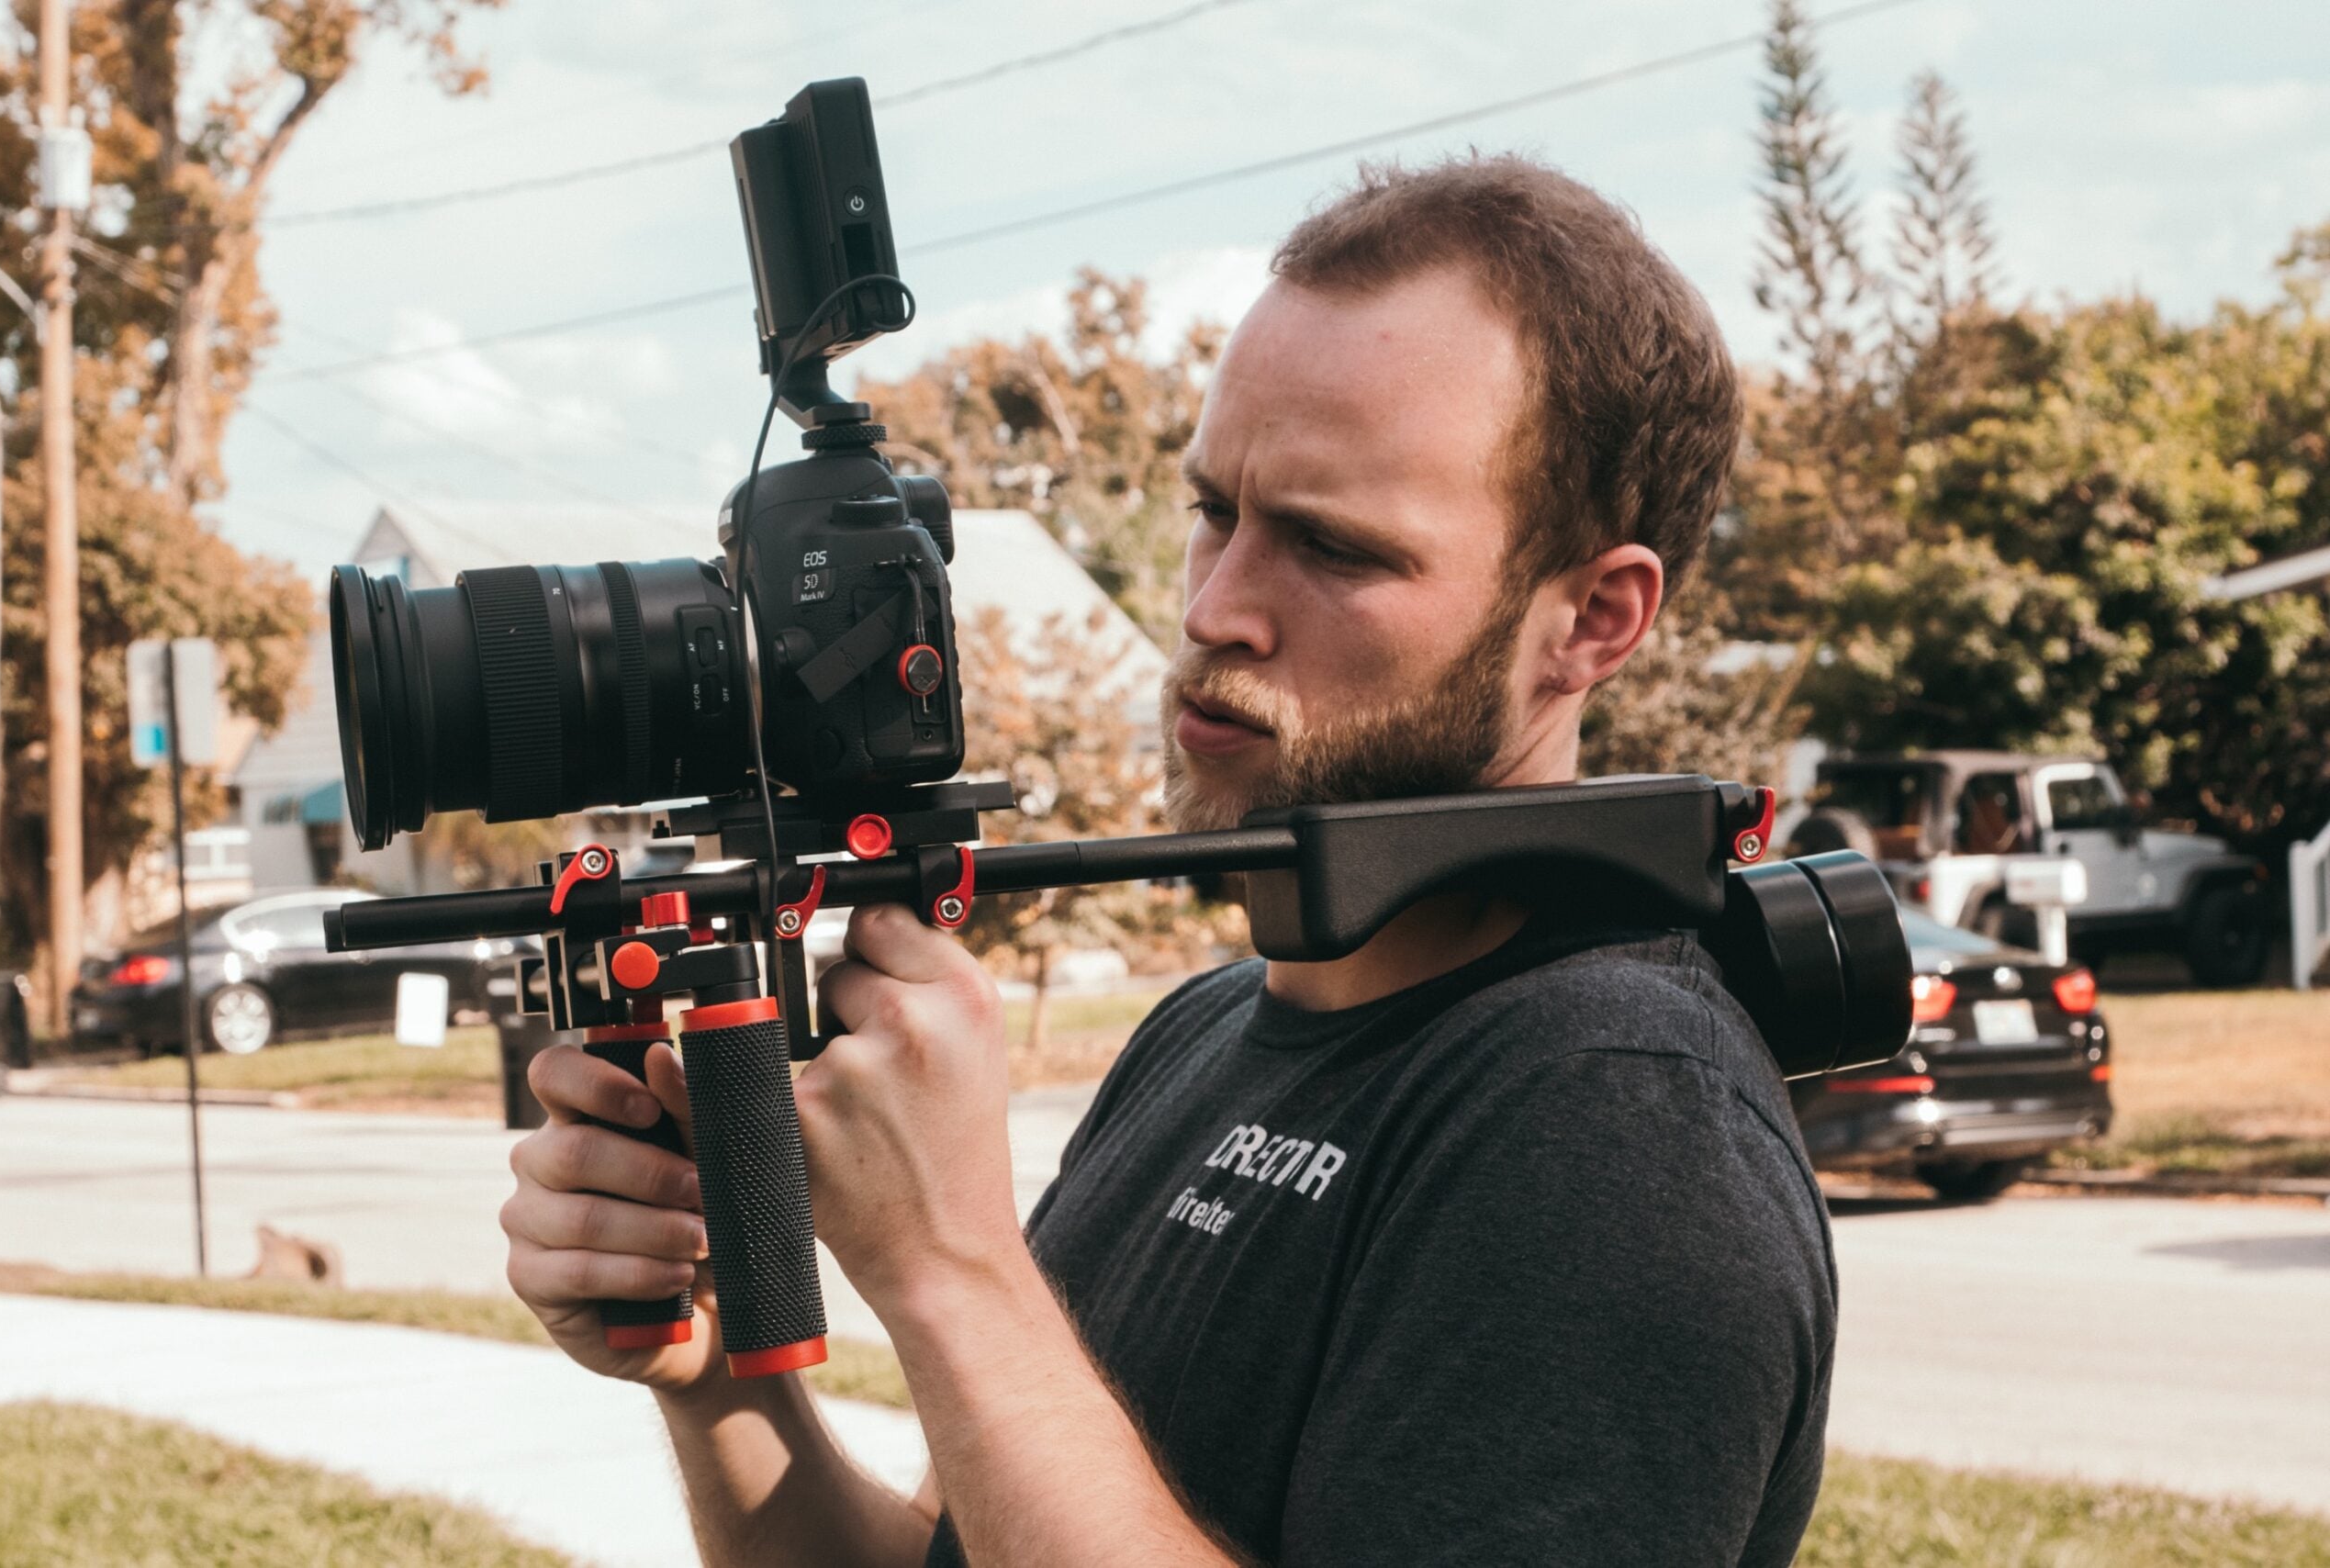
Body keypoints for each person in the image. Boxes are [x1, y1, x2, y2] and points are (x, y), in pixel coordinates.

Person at [500, 155, 1833, 1566]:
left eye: (1331, 546)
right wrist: (715, 1384)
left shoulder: (1615, 1130)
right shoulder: (1207, 1027)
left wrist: (955, 1275)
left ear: (1594, 622)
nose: (1215, 606)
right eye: (1215, 511)